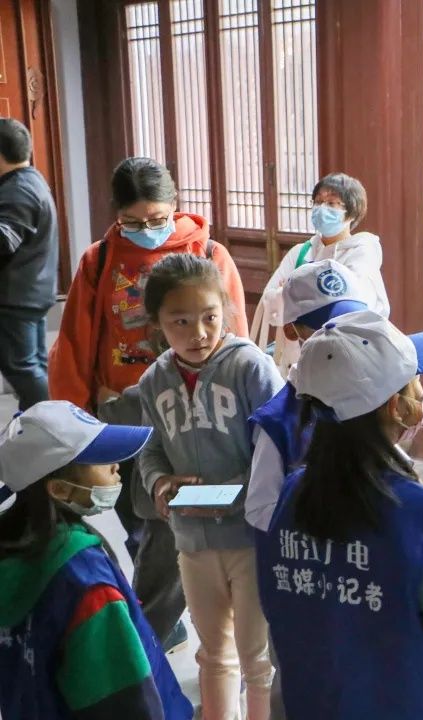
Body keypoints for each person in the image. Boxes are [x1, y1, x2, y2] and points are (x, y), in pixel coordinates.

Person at [256, 311, 423, 719]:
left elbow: (276, 604)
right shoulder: (420, 515)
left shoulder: (287, 496)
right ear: (396, 407)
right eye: (416, 381)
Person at [48, 156, 248, 651]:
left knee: (176, 518)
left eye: (158, 219)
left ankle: (155, 624)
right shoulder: (99, 260)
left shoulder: (208, 253)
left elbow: (235, 333)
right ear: (117, 216)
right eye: (133, 222)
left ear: (175, 207)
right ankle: (163, 614)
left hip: (191, 408)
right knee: (134, 509)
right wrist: (75, 422)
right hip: (121, 409)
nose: (147, 230)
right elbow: (74, 342)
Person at [138, 253, 282, 720]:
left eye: (209, 317)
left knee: (256, 658)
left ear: (225, 310)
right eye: (180, 321)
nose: (197, 333)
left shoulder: (250, 368)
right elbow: (150, 448)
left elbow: (276, 449)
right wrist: (160, 484)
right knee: (212, 654)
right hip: (192, 541)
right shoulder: (154, 379)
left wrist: (232, 495)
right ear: (158, 323)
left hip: (250, 538)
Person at [0, 401, 192, 719]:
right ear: (60, 489)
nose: (117, 466)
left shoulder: (12, 552)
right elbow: (126, 698)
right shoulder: (85, 581)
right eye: (101, 461)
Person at [247, 259, 370, 533]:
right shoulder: (279, 419)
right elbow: (260, 509)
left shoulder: (372, 394)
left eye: (352, 323)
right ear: (292, 330)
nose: (345, 336)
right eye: (329, 327)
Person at [253, 172, 391, 373]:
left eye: (332, 203)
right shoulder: (302, 251)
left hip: (349, 355)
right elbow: (270, 299)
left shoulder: (362, 250)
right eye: (318, 202)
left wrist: (292, 295)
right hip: (296, 354)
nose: (322, 209)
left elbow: (352, 304)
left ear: (352, 213)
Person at [0, 117, 58, 410]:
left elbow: (4, 239)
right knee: (33, 366)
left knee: (22, 369)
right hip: (31, 290)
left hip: (16, 297)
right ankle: (42, 422)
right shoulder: (31, 180)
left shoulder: (16, 190)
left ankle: (51, 423)